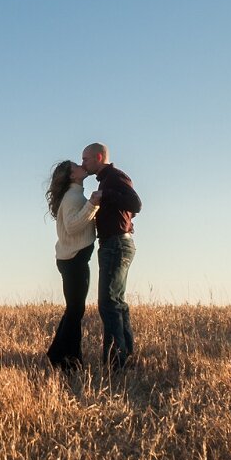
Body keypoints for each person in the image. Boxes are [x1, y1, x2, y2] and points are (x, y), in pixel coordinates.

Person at [81, 142, 142, 371]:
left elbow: (135, 203)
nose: (83, 164)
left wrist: (105, 195)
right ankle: (124, 356)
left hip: (116, 244)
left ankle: (117, 362)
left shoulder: (114, 178)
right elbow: (129, 207)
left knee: (108, 303)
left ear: (98, 157)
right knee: (116, 302)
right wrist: (126, 219)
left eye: (86, 159)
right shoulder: (109, 180)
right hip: (115, 242)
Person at [44, 160, 101, 370]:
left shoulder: (75, 195)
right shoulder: (73, 197)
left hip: (73, 258)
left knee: (74, 309)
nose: (81, 166)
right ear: (72, 175)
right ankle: (65, 358)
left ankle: (62, 355)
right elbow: (73, 226)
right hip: (73, 259)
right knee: (76, 309)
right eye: (76, 166)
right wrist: (93, 204)